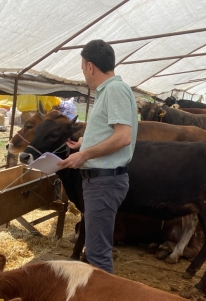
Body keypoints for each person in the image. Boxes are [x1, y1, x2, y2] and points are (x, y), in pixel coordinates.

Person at [56, 39, 138, 274]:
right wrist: (85, 142)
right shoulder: (111, 91)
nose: (84, 75)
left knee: (97, 255)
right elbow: (113, 132)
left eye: (83, 69)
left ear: (90, 66)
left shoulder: (114, 90)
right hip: (101, 180)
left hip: (104, 181)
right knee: (95, 251)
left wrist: (85, 154)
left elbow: (123, 137)